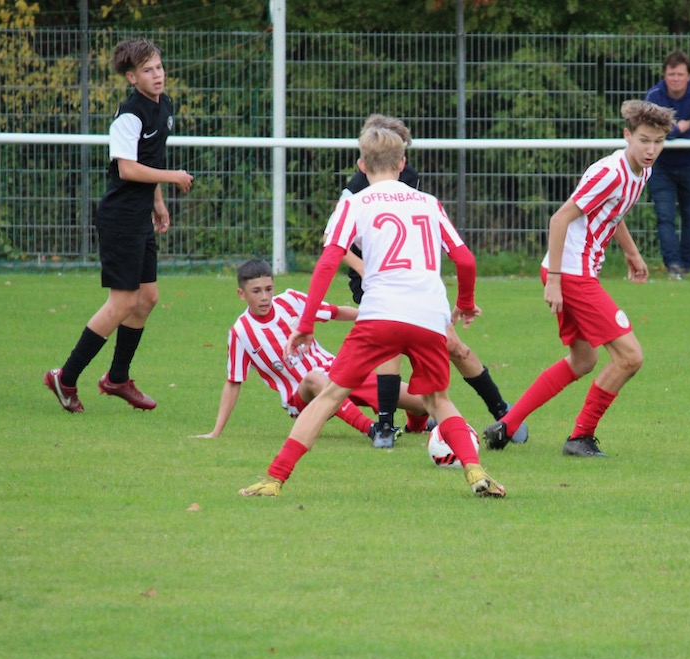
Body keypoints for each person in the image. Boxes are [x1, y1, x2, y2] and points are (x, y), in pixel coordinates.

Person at [240, 114, 505, 498]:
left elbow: (328, 262)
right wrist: (465, 303)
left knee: (330, 395)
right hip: (429, 316)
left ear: (362, 165)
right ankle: (475, 470)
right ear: (402, 163)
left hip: (379, 314)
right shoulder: (429, 203)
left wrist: (307, 323)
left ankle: (274, 479)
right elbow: (465, 260)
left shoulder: (355, 203)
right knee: (438, 401)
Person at [483, 100, 674, 458]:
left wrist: (632, 253)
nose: (651, 150)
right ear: (627, 135)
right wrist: (555, 279)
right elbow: (559, 219)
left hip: (574, 270)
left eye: (659, 141)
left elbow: (612, 212)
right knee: (630, 357)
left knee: (584, 360)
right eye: (644, 140)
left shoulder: (641, 171)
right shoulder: (611, 172)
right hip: (571, 273)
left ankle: (506, 425)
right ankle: (580, 437)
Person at [335, 124, 528, 449]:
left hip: (415, 279)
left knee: (455, 346)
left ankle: (502, 412)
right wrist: (365, 269)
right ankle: (385, 426)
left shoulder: (410, 178)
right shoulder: (356, 188)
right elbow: (334, 242)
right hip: (376, 279)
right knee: (390, 347)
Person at [44, 38, 193, 412]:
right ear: (131, 77)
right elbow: (127, 168)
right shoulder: (129, 115)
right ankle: (65, 378)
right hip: (120, 219)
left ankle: (117, 378)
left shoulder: (164, 105)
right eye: (147, 70)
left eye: (159, 67)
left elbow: (150, 158)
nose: (157, 75)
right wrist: (173, 176)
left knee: (147, 298)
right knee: (123, 301)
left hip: (140, 216)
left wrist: (158, 203)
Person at [192, 258, 431, 439]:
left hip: (340, 373)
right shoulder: (241, 332)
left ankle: (417, 427)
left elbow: (336, 312)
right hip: (302, 396)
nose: (264, 297)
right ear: (241, 294)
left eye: (268, 289)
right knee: (314, 378)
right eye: (256, 291)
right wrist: (216, 432)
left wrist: (381, 317)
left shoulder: (291, 301)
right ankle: (374, 430)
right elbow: (234, 382)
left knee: (421, 402)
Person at [644, 49, 690, 277]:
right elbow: (651, 130)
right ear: (664, 75)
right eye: (671, 74)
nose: (675, 79)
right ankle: (672, 265)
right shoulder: (654, 96)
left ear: (689, 76)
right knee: (664, 217)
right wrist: (679, 127)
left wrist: (669, 131)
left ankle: (686, 265)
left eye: (680, 74)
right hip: (661, 166)